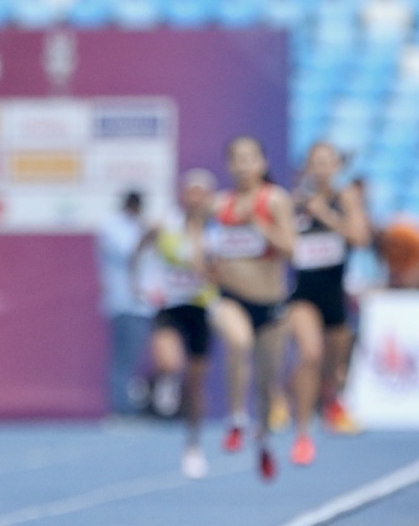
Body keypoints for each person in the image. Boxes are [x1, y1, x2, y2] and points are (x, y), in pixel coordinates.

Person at [206, 136, 296, 480]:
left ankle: (265, 444)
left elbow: (291, 248)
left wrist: (260, 226)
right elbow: (204, 249)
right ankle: (235, 419)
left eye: (250, 158)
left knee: (267, 382)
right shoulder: (220, 205)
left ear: (262, 163)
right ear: (229, 165)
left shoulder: (275, 200)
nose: (243, 166)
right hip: (232, 298)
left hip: (271, 303)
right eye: (237, 159)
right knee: (238, 342)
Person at [280, 142, 372, 464]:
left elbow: (361, 238)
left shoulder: (345, 197)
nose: (321, 168)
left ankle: (331, 398)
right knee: (310, 354)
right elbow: (284, 244)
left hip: (334, 293)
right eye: (315, 162)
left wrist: (327, 216)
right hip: (303, 294)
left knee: (333, 366)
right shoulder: (295, 201)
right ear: (307, 167)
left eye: (327, 162)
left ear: (336, 166)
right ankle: (303, 433)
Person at [138, 169, 217, 479]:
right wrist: (137, 283)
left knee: (196, 380)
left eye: (201, 193)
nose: (195, 198)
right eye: (190, 191)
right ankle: (159, 386)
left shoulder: (215, 230)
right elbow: (140, 247)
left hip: (199, 307)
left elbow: (215, 274)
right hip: (170, 305)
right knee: (170, 363)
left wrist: (199, 246)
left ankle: (193, 445)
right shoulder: (165, 222)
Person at [97, 190, 154, 415]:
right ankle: (121, 408)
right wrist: (147, 234)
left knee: (134, 357)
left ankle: (126, 405)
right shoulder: (113, 227)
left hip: (142, 304)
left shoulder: (140, 226)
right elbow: (130, 254)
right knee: (124, 359)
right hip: (124, 303)